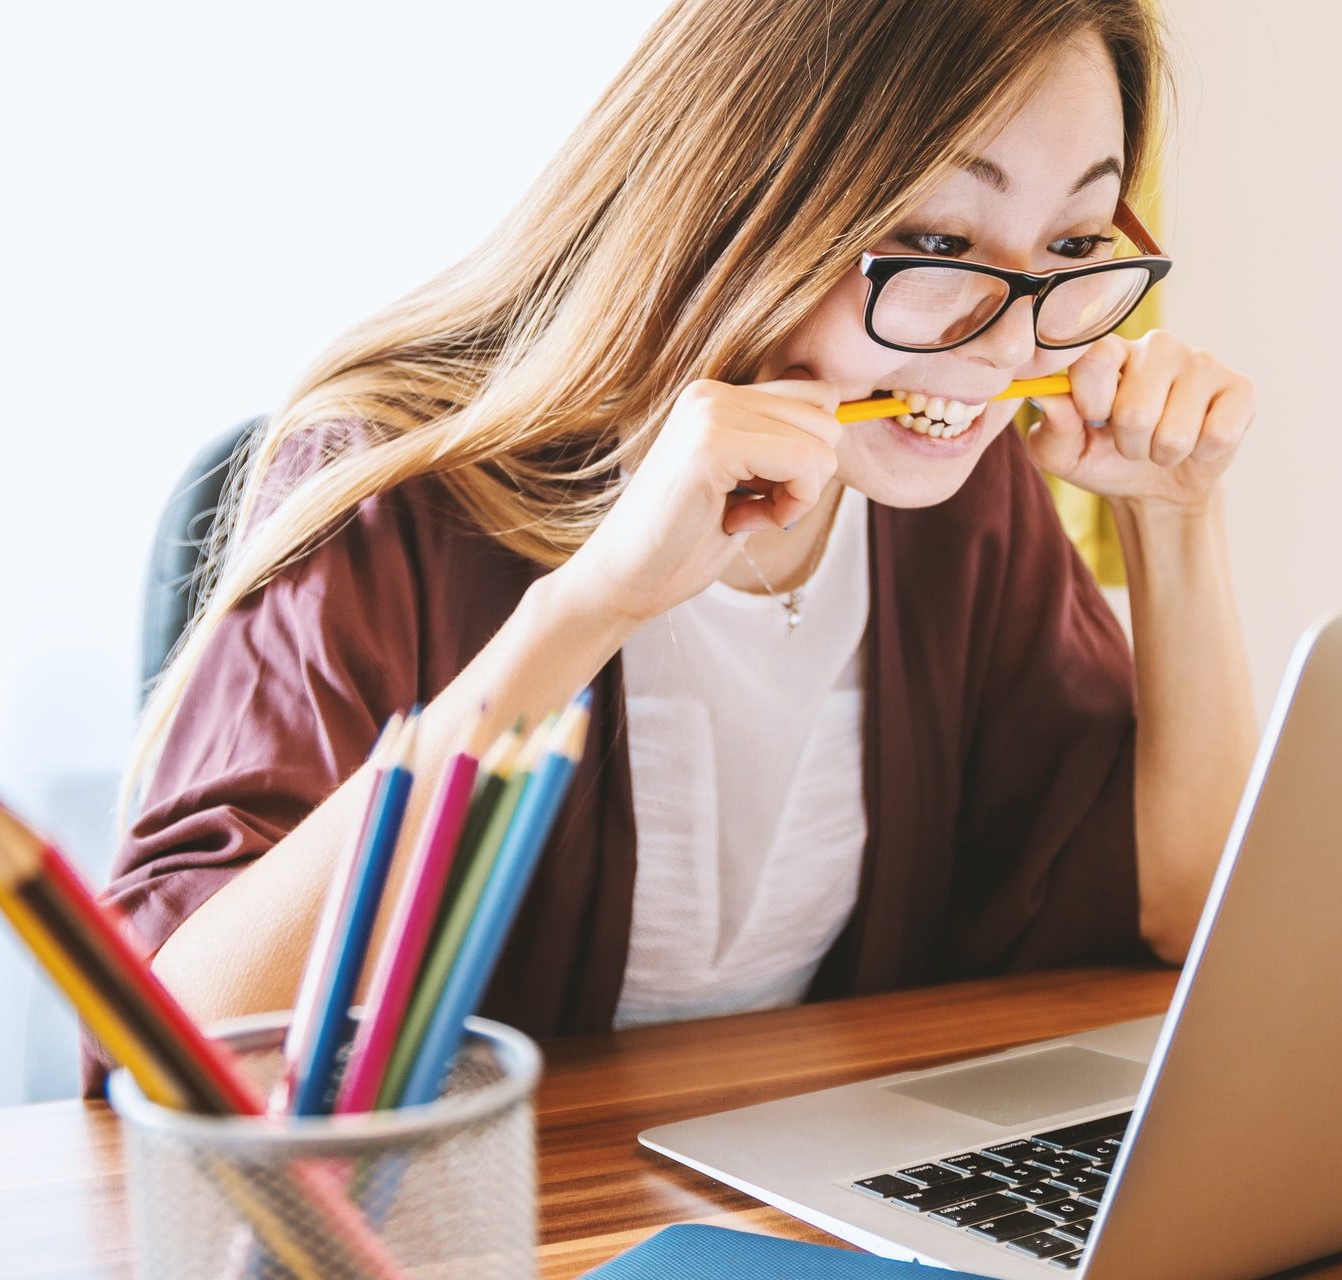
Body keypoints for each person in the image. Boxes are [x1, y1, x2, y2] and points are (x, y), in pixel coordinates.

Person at [91, 0, 1258, 1089]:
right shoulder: (396, 487)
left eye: (1068, 247)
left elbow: (1186, 904)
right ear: (750, 196)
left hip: (790, 1207)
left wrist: (1174, 518)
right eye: (938, 235)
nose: (1003, 345)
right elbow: (185, 1042)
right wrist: (589, 606)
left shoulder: (958, 502)